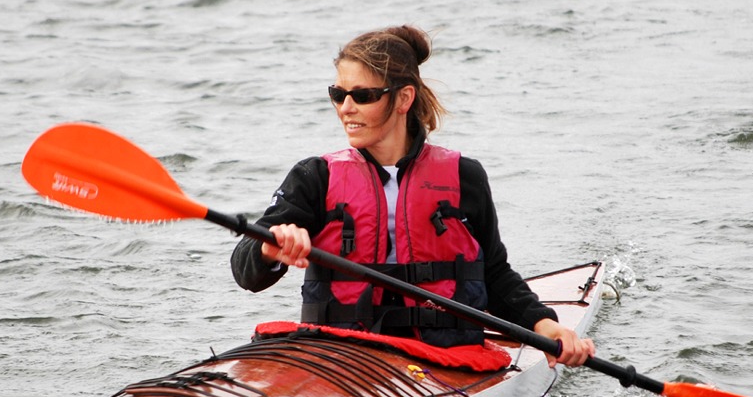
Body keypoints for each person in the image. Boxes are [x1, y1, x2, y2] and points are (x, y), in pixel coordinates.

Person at [230, 25, 594, 368]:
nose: (346, 108)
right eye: (338, 95)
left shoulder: (464, 176)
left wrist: (545, 325)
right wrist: (268, 250)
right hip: (341, 353)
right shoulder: (314, 178)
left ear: (404, 98)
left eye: (363, 96)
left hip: (444, 355)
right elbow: (245, 269)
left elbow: (493, 273)